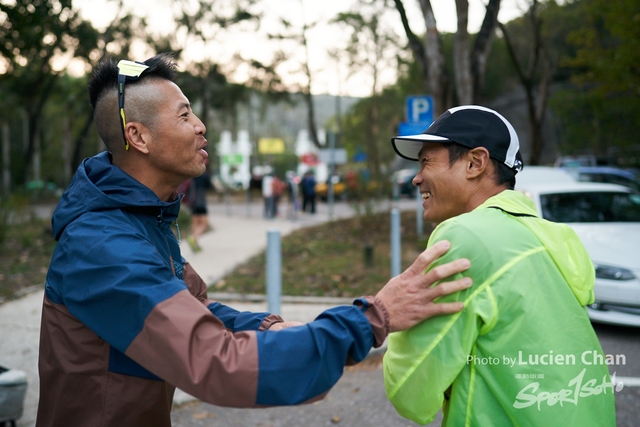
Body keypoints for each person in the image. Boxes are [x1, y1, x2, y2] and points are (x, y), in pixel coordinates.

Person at [36, 53, 473, 427]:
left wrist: (265, 327)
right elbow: (214, 361)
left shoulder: (141, 220)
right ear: (138, 136)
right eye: (184, 114)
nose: (201, 126)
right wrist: (374, 316)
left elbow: (195, 312)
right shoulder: (102, 247)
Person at [383, 105, 616, 426]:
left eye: (426, 161)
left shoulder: (466, 237)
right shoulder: (549, 236)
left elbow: (410, 390)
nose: (416, 177)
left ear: (475, 162)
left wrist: (389, 315)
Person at [186, 160, 212, 252]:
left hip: (192, 201)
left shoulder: (191, 174)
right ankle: (193, 238)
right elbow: (209, 186)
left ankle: (195, 244)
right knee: (204, 224)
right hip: (200, 202)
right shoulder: (203, 175)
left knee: (195, 223)